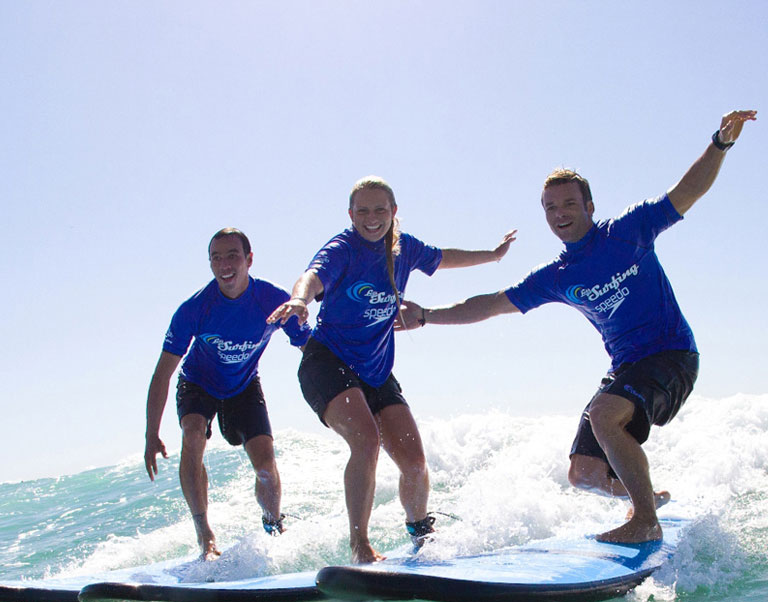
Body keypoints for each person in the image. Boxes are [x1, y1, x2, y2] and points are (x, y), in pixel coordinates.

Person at [398, 110, 757, 544]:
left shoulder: (629, 230)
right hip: (627, 368)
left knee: (606, 417)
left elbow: (688, 190)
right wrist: (426, 316)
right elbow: (490, 304)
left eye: (569, 203)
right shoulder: (556, 276)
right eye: (550, 207)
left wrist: (720, 143)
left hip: (672, 355)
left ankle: (644, 521)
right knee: (583, 473)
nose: (560, 213)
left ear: (589, 205)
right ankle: (647, 497)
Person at [268, 176, 516, 563]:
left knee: (414, 463)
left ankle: (421, 533)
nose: (372, 218)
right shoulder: (342, 248)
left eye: (380, 209)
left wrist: (493, 255)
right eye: (362, 211)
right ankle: (359, 546)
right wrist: (300, 300)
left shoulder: (404, 248)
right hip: (327, 362)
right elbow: (312, 275)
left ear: (393, 212)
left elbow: (445, 257)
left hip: (376, 370)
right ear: (351, 215)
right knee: (365, 441)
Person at [144, 228, 311, 559]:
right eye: (216, 257)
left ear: (249, 259)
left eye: (232, 255)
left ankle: (273, 524)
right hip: (198, 383)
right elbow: (163, 373)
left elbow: (311, 347)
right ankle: (204, 535)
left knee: (265, 464)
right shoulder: (194, 309)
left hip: (244, 385)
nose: (224, 264)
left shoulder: (271, 299)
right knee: (192, 434)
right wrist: (151, 433)